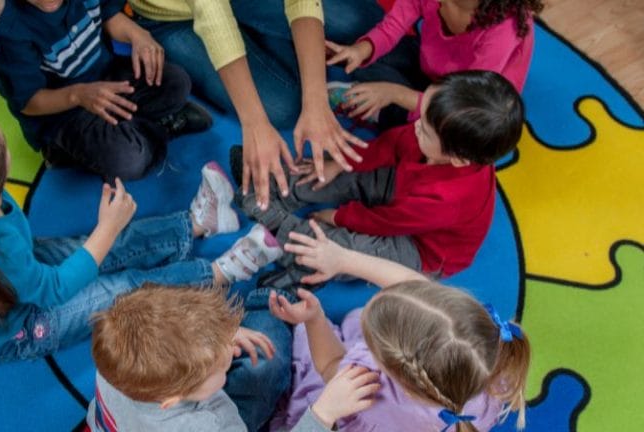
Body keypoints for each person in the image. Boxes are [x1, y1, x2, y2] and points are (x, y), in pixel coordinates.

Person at [0, 0, 285, 363]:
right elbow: (51, 290)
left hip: (19, 269)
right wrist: (106, 229)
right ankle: (215, 274)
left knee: (107, 246)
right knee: (122, 288)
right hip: (29, 323)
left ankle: (196, 224)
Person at [235, 70, 523, 288]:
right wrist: (341, 163)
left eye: (425, 129)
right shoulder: (435, 135)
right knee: (344, 174)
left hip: (419, 248)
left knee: (349, 249)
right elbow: (390, 145)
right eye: (421, 115)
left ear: (459, 158)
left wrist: (339, 217)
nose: (416, 125)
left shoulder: (448, 200)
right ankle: (271, 187)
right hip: (405, 188)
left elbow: (387, 222)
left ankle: (298, 260)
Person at [268, 221, 531, 431]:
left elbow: (329, 365)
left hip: (351, 408)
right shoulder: (482, 362)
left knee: (304, 350)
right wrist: (343, 259)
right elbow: (412, 285)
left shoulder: (371, 392)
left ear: (398, 372)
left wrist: (314, 320)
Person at [128, 0, 384, 211]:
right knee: (282, 108)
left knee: (359, 22)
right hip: (174, 15)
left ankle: (273, 44)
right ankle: (275, 44)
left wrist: (316, 98)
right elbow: (214, 17)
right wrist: (255, 124)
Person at [86, 285, 381, 432]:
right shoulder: (211, 424)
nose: (229, 352)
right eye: (218, 366)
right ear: (172, 399)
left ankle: (263, 303)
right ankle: (269, 297)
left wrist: (217, 337)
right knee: (268, 363)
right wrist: (323, 414)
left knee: (260, 347)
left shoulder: (117, 360)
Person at [0, 0, 213, 180]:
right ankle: (64, 152)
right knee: (131, 161)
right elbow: (29, 102)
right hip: (63, 113)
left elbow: (107, 13)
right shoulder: (7, 25)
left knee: (176, 82)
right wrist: (78, 94)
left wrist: (138, 35)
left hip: (106, 73)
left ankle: (127, 131)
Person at [327, 0, 543, 130]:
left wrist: (394, 94)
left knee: (430, 137)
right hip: (432, 71)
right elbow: (392, 26)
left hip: (470, 105)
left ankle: (381, 110)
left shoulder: (504, 27)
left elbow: (464, 105)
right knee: (371, 58)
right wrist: (361, 50)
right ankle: (380, 98)